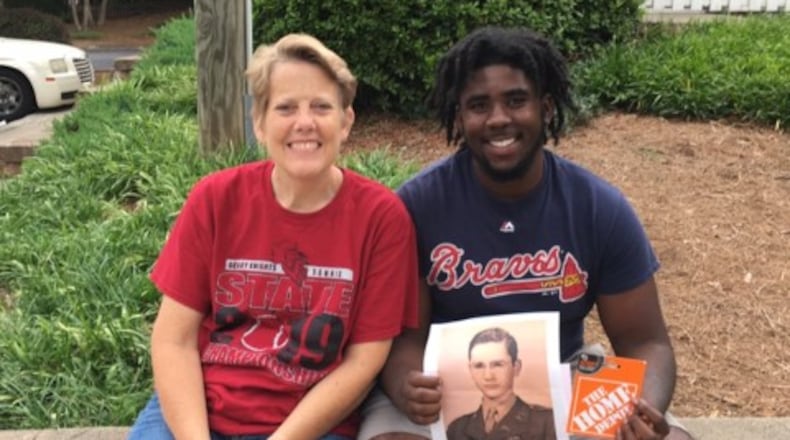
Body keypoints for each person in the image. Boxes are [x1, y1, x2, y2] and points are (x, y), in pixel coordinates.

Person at [357, 26, 693, 440]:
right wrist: (406, 383)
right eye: (479, 105)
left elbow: (646, 342)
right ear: (459, 118)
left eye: (516, 101)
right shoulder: (417, 206)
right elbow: (402, 338)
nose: (499, 118)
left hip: (567, 373)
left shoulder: (597, 207)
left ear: (546, 108)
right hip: (445, 388)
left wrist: (643, 410)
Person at [127, 33, 419, 440]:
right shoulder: (215, 199)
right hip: (199, 410)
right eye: (285, 108)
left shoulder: (380, 218)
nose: (305, 122)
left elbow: (363, 362)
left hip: (311, 422)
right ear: (260, 124)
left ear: (346, 121)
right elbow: (173, 340)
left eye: (321, 106)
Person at [446, 327, 555, 440]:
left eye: (498, 364)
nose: (488, 376)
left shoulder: (547, 422)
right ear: (470, 370)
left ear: (516, 367)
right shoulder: (457, 428)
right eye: (479, 366)